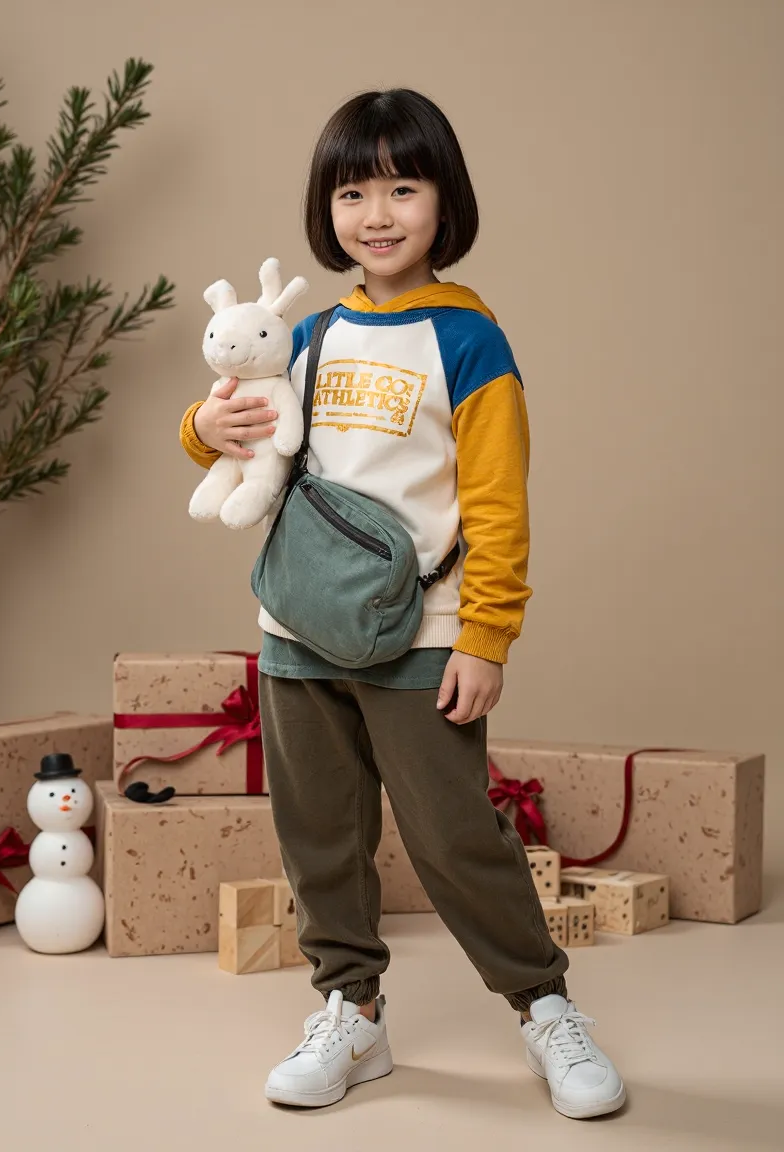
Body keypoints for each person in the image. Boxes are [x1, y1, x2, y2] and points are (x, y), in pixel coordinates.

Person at [179, 88, 625, 1120]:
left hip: (423, 634)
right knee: (318, 833)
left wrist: (485, 635)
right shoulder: (309, 330)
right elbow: (229, 435)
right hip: (297, 627)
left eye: (400, 186)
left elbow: (497, 506)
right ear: (324, 209)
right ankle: (351, 1012)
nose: (374, 214)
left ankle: (543, 1006)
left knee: (451, 833)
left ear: (442, 201)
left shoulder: (468, 342)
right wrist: (205, 423)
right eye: (351, 191)